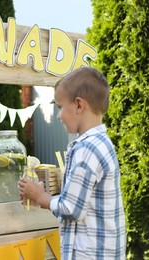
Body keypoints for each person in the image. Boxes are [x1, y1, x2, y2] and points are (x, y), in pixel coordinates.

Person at [18, 67, 126, 259]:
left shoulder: (87, 149)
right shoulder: (100, 143)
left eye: (60, 107)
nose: (59, 116)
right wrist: (45, 200)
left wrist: (41, 196)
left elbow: (71, 209)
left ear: (78, 105)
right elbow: (81, 202)